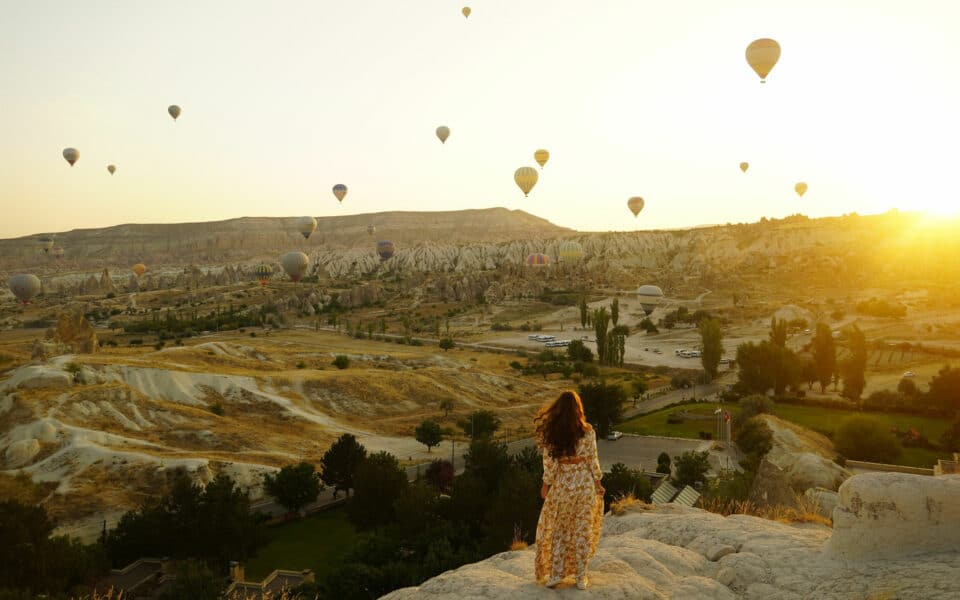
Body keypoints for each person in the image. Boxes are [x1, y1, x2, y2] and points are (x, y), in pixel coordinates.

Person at [534, 390, 604, 590]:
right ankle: (581, 577)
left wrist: (546, 484)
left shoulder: (552, 433)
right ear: (577, 410)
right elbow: (592, 460)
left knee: (560, 530)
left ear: (558, 410)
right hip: (584, 485)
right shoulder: (588, 431)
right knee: (583, 530)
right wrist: (598, 483)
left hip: (563, 486)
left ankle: (556, 574)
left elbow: (550, 464)